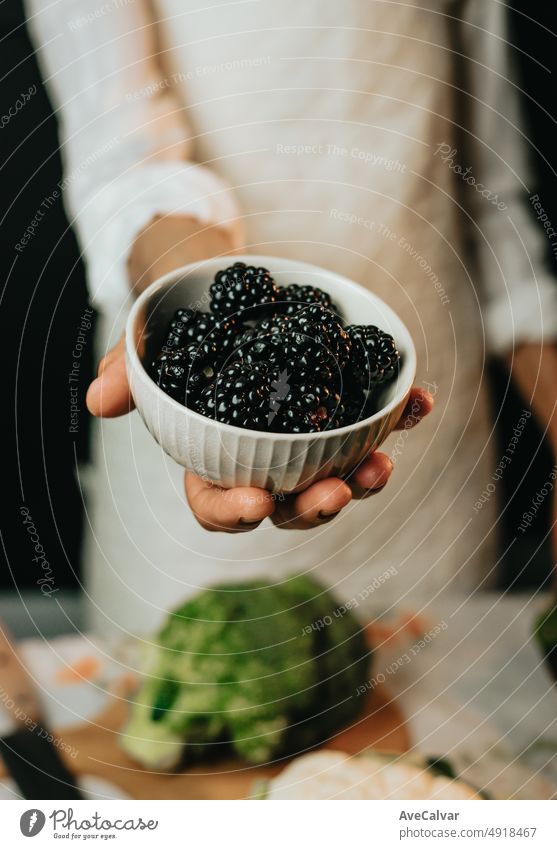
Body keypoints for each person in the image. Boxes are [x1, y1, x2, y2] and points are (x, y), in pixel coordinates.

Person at [25, 0, 557, 638]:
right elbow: (126, 167)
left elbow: (491, 204)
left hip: (425, 467)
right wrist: (201, 305)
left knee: (454, 725)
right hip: (200, 473)